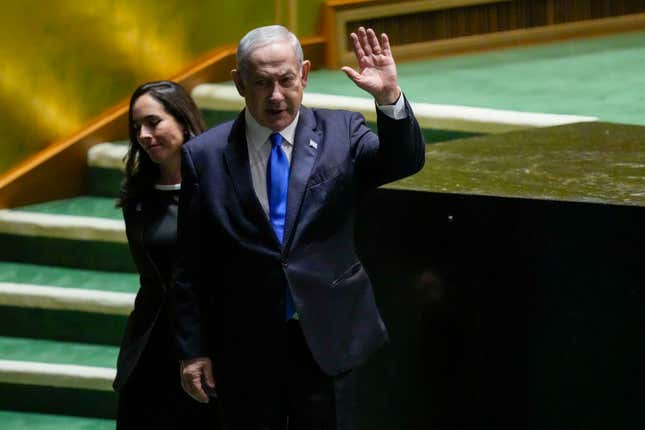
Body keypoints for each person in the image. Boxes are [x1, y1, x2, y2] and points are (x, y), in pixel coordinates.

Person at [174, 25, 425, 429]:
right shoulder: (203, 156)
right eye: (261, 83)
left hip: (331, 342)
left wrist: (388, 98)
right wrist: (192, 349)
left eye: (286, 80)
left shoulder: (341, 132)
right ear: (239, 83)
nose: (276, 96)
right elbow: (189, 262)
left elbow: (403, 161)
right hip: (247, 346)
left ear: (304, 75)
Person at [113, 80, 219, 428]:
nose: (144, 134)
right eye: (136, 127)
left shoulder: (221, 187)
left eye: (153, 122)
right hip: (152, 343)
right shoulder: (138, 196)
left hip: (210, 341)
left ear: (183, 120)